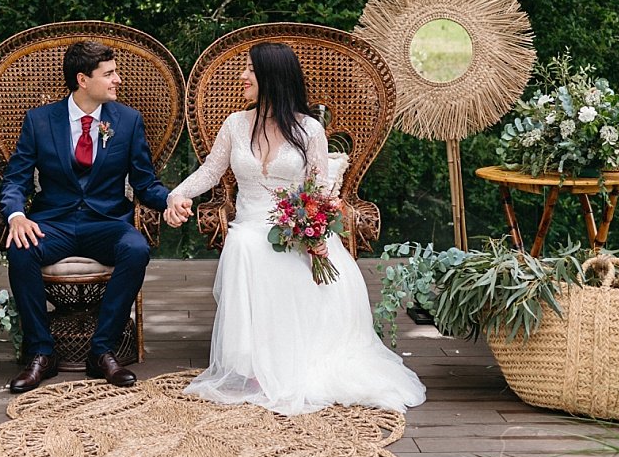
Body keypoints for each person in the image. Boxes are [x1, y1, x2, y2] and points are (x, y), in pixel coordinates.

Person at [161, 42, 426, 415]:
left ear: (272, 76)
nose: (243, 77)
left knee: (266, 251)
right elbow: (210, 170)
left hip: (296, 228)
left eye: (251, 70)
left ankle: (294, 359)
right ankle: (252, 363)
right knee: (244, 245)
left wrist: (312, 231)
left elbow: (317, 191)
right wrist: (177, 194)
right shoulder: (236, 124)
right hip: (251, 224)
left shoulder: (309, 130)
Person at [1, 40, 172, 393]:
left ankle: (102, 350)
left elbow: (145, 183)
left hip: (106, 223)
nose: (118, 80)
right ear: (83, 79)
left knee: (136, 249)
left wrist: (171, 200)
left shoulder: (127, 121)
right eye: (109, 74)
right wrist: (17, 215)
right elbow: (15, 179)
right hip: (54, 222)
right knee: (20, 251)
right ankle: (41, 353)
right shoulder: (39, 121)